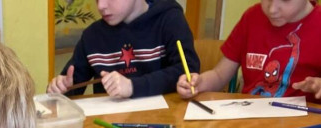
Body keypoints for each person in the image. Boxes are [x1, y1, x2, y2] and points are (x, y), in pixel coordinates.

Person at [48, 0, 199, 99]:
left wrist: (133, 87)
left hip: (165, 122)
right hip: (110, 127)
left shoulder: (170, 19)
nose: (101, 6)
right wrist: (60, 89)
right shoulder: (92, 36)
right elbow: (71, 85)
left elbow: (188, 72)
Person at [176, 0, 321, 98]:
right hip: (250, 123)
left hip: (300, 127)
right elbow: (219, 75)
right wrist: (199, 83)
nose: (272, 9)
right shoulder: (251, 17)